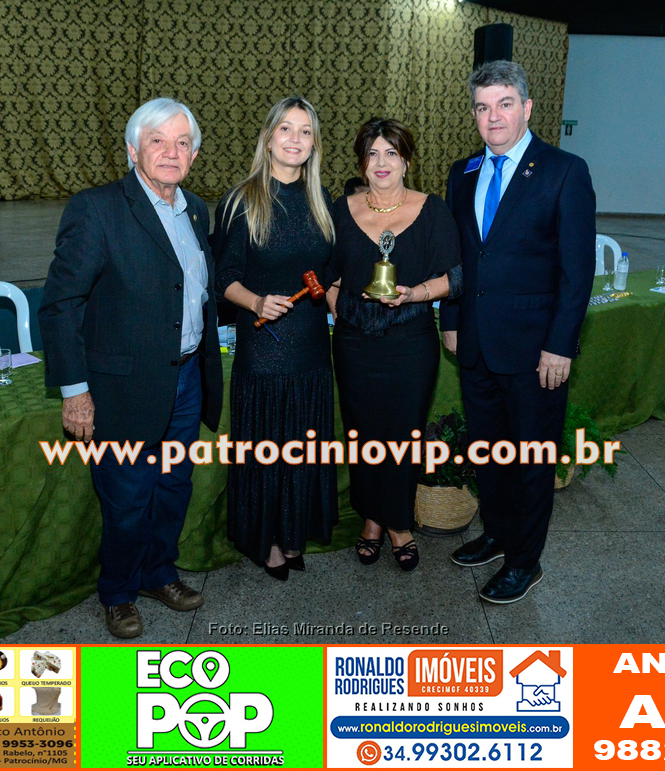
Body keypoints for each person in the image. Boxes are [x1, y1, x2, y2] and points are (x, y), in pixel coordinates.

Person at [38, 98, 223, 639]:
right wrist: (75, 392)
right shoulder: (97, 209)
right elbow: (60, 305)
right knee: (126, 498)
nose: (171, 152)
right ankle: (118, 592)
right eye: (157, 141)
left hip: (186, 378)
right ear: (132, 150)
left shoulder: (196, 209)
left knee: (174, 486)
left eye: (183, 143)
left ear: (194, 155)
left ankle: (158, 573)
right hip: (121, 387)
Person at [440, 60, 596, 603]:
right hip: (476, 343)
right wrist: (452, 320)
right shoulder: (461, 172)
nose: (493, 117)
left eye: (505, 104)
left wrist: (560, 344)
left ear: (527, 108)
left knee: (530, 460)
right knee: (488, 452)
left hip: (536, 351)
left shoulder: (564, 171)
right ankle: (499, 534)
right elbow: (458, 258)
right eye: (483, 107)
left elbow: (577, 271)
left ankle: (525, 561)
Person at [211, 97, 337, 580]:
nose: (295, 139)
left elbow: (330, 273)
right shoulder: (242, 200)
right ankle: (266, 540)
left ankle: (293, 530)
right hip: (264, 349)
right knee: (267, 449)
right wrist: (257, 302)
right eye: (285, 129)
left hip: (311, 348)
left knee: (303, 446)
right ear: (268, 138)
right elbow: (224, 278)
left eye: (305, 131)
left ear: (314, 143)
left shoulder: (322, 201)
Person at [328, 118, 462, 572]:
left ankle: (399, 524)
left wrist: (415, 294)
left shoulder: (432, 210)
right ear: (361, 163)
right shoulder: (340, 210)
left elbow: (457, 276)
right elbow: (326, 273)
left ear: (406, 160)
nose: (381, 162)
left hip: (410, 343)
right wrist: (340, 307)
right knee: (362, 433)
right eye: (372, 154)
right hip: (354, 344)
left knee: (403, 434)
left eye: (391, 153)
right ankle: (371, 519)